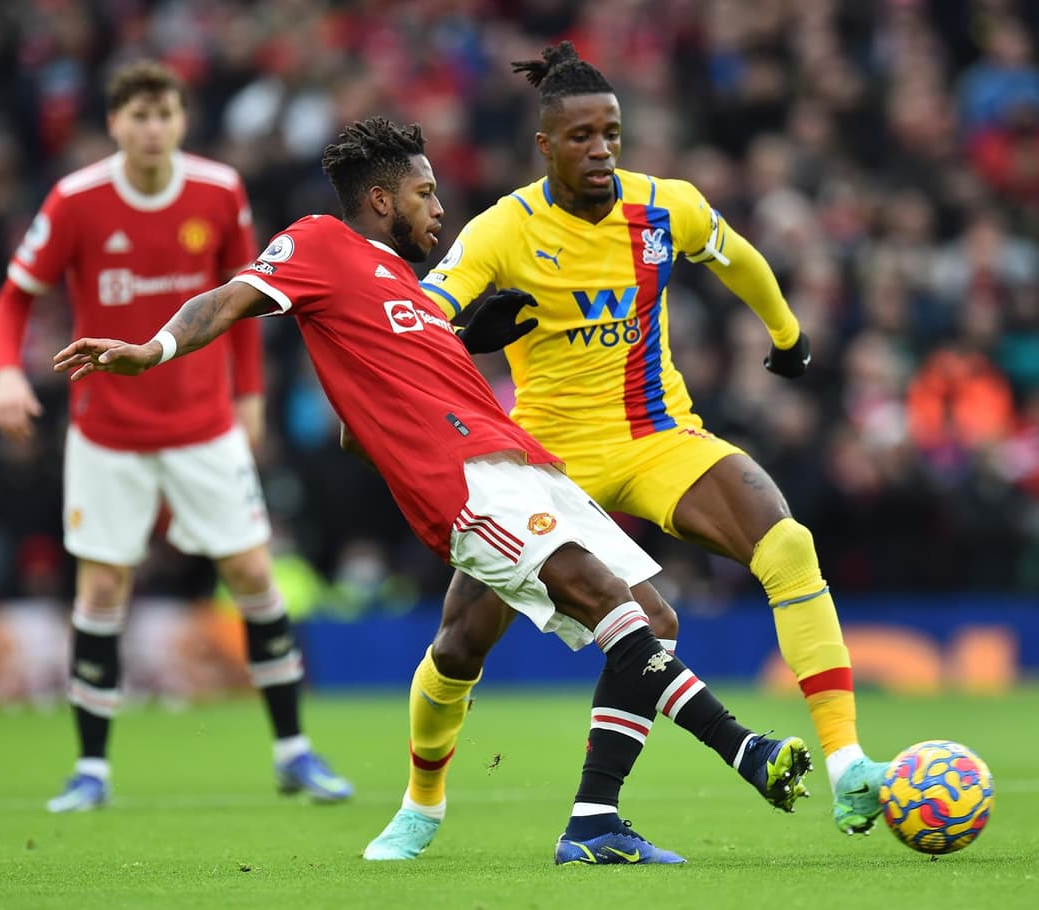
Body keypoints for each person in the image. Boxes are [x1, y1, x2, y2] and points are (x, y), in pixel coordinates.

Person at [52, 116, 813, 865]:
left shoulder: (410, 292)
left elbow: (365, 419)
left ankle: (593, 822)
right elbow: (223, 301)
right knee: (605, 602)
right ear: (381, 200)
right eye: (425, 193)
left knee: (654, 619)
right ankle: (744, 749)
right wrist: (152, 349)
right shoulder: (318, 244)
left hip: (522, 462)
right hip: (467, 486)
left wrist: (462, 340)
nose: (440, 209)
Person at [374, 40, 891, 859]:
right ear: (545, 145)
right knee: (461, 642)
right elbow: (416, 322)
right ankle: (422, 803)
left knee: (786, 545)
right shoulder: (504, 229)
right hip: (546, 462)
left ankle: (845, 763)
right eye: (580, 136)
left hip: (656, 435)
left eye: (611, 133)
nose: (600, 150)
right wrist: (467, 335)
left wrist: (788, 335)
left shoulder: (665, 208)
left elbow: (738, 256)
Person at [0, 60, 351, 811]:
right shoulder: (76, 199)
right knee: (101, 588)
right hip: (107, 432)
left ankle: (294, 752)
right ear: (114, 123)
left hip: (202, 426)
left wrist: (250, 397)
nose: (152, 128)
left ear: (182, 120)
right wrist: (5, 376)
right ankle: (91, 770)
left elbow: (243, 301)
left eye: (164, 114)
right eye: (138, 115)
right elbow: (15, 296)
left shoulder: (218, 191)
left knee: (252, 575)